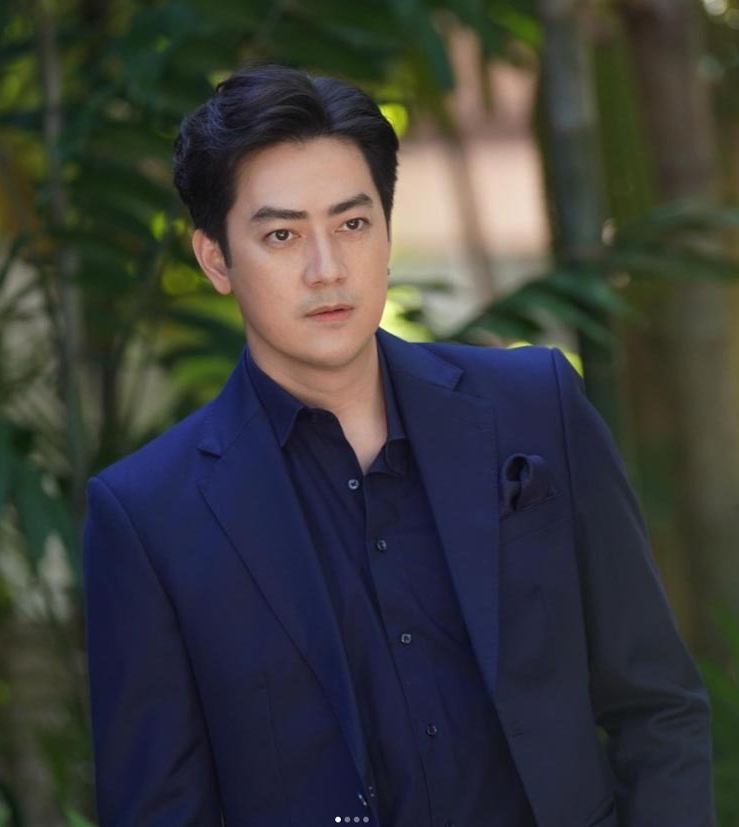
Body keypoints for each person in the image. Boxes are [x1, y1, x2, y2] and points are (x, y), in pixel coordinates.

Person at [82, 64, 715, 827]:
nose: (326, 269)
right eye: (282, 235)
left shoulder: (536, 407)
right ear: (216, 259)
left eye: (352, 224)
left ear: (385, 231)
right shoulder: (149, 517)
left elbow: (657, 704)